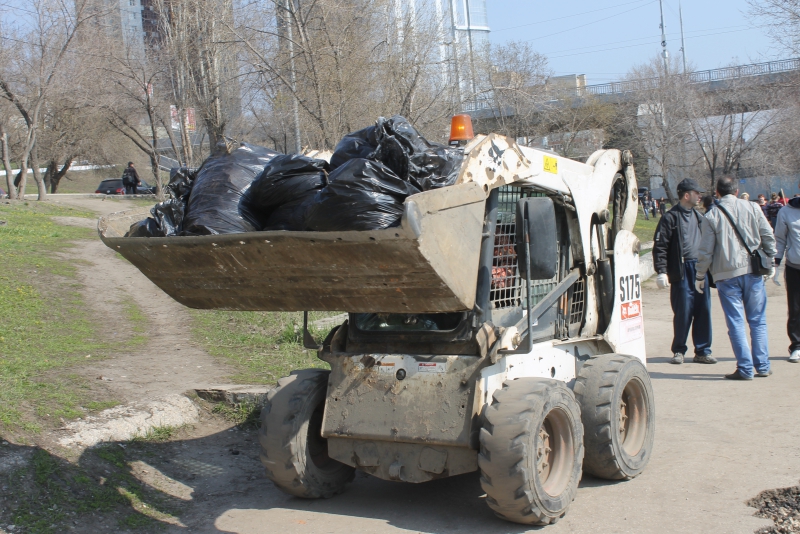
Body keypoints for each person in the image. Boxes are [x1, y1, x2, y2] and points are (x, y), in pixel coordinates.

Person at [695, 176, 777, 380]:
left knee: (736, 322)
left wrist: (700, 274)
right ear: (737, 191)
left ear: (717, 192)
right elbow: (767, 235)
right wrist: (771, 259)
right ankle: (763, 366)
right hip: (753, 271)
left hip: (726, 274)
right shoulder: (754, 207)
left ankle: (745, 368)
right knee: (758, 321)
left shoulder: (712, 215)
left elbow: (706, 250)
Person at [653, 179, 715, 365]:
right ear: (686, 195)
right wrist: (662, 271)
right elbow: (661, 246)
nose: (700, 196)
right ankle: (679, 350)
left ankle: (702, 351)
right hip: (681, 270)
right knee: (683, 311)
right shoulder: (670, 218)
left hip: (699, 269)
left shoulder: (700, 217)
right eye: (697, 193)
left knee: (703, 310)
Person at [773, 191, 800, 363]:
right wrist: (775, 264)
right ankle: (797, 345)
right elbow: (780, 239)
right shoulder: (786, 211)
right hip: (794, 267)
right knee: (796, 308)